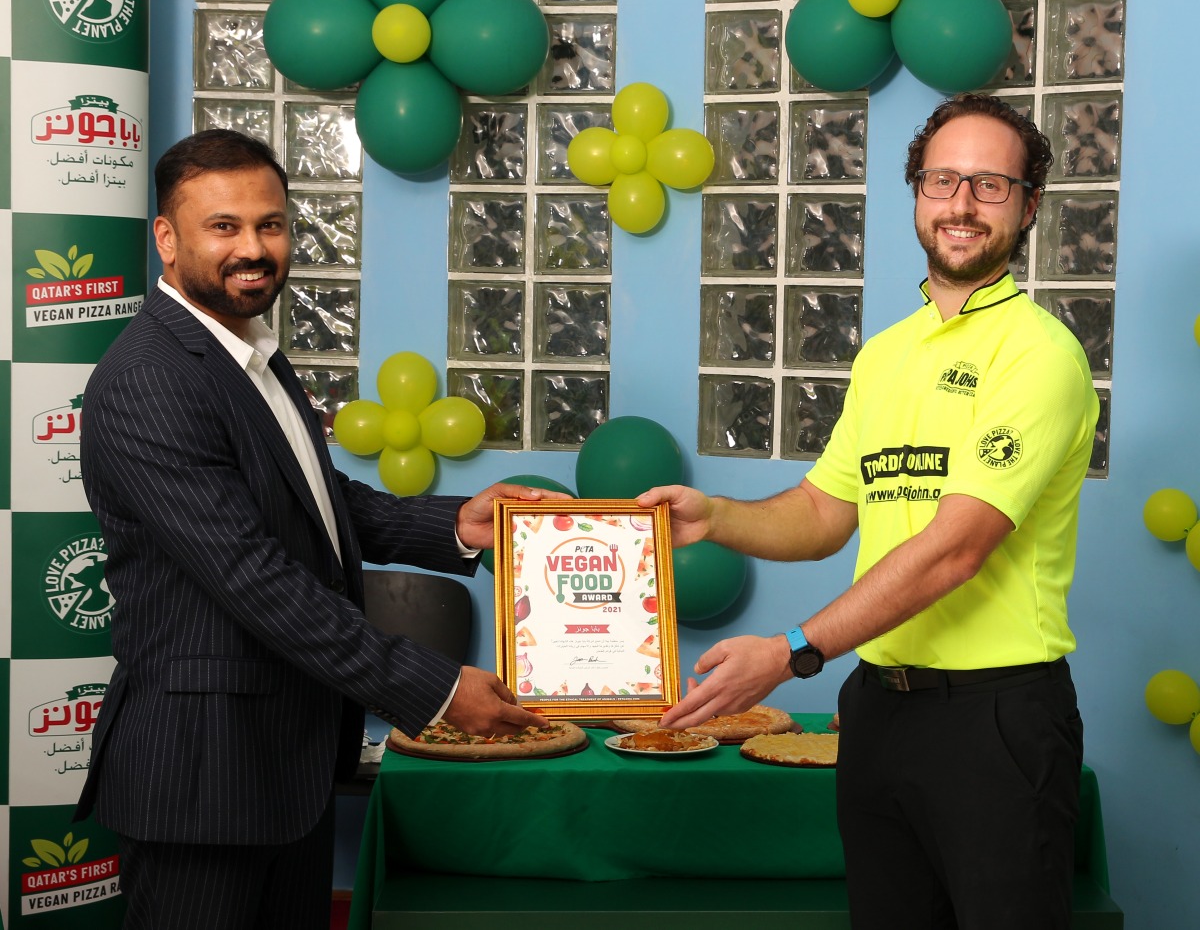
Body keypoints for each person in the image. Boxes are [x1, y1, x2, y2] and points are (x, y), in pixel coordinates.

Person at [75, 129, 558, 930]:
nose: (255, 249)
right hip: (204, 774)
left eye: (271, 224)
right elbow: (255, 577)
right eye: (223, 226)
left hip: (284, 765)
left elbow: (315, 500)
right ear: (167, 238)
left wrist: (458, 525)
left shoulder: (248, 350)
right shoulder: (150, 380)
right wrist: (433, 689)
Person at [641, 94, 1098, 929]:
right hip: (879, 712)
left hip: (995, 718)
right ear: (917, 193)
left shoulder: (1039, 355)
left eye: (990, 184)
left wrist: (791, 650)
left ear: (1030, 205)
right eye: (943, 179)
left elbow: (956, 549)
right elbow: (824, 510)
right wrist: (715, 516)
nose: (961, 203)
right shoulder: (886, 355)